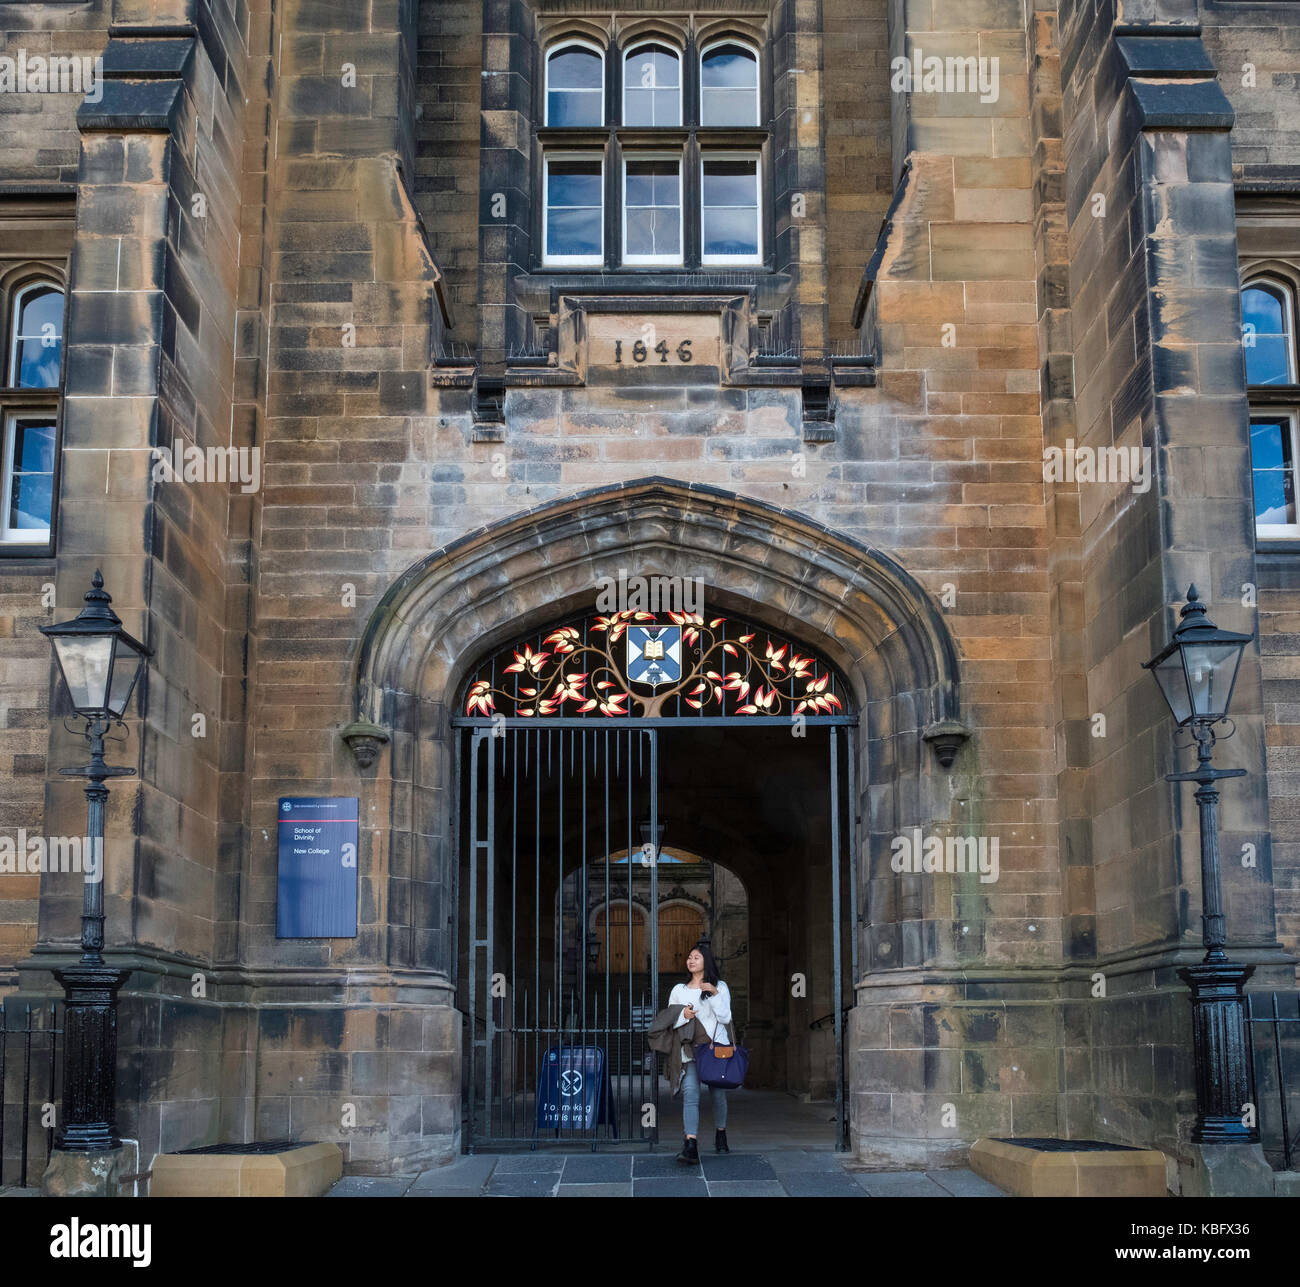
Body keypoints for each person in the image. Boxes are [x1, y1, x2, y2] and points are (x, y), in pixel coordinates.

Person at [668, 942, 732, 1162]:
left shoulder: (720, 986)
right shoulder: (679, 990)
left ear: (706, 961)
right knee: (691, 1095)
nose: (691, 960)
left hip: (715, 1049)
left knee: (718, 1095)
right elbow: (671, 1020)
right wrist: (683, 1016)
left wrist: (713, 994)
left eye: (696, 957)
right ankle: (691, 1144)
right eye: (689, 957)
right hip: (691, 1050)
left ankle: (721, 1133)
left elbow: (725, 1018)